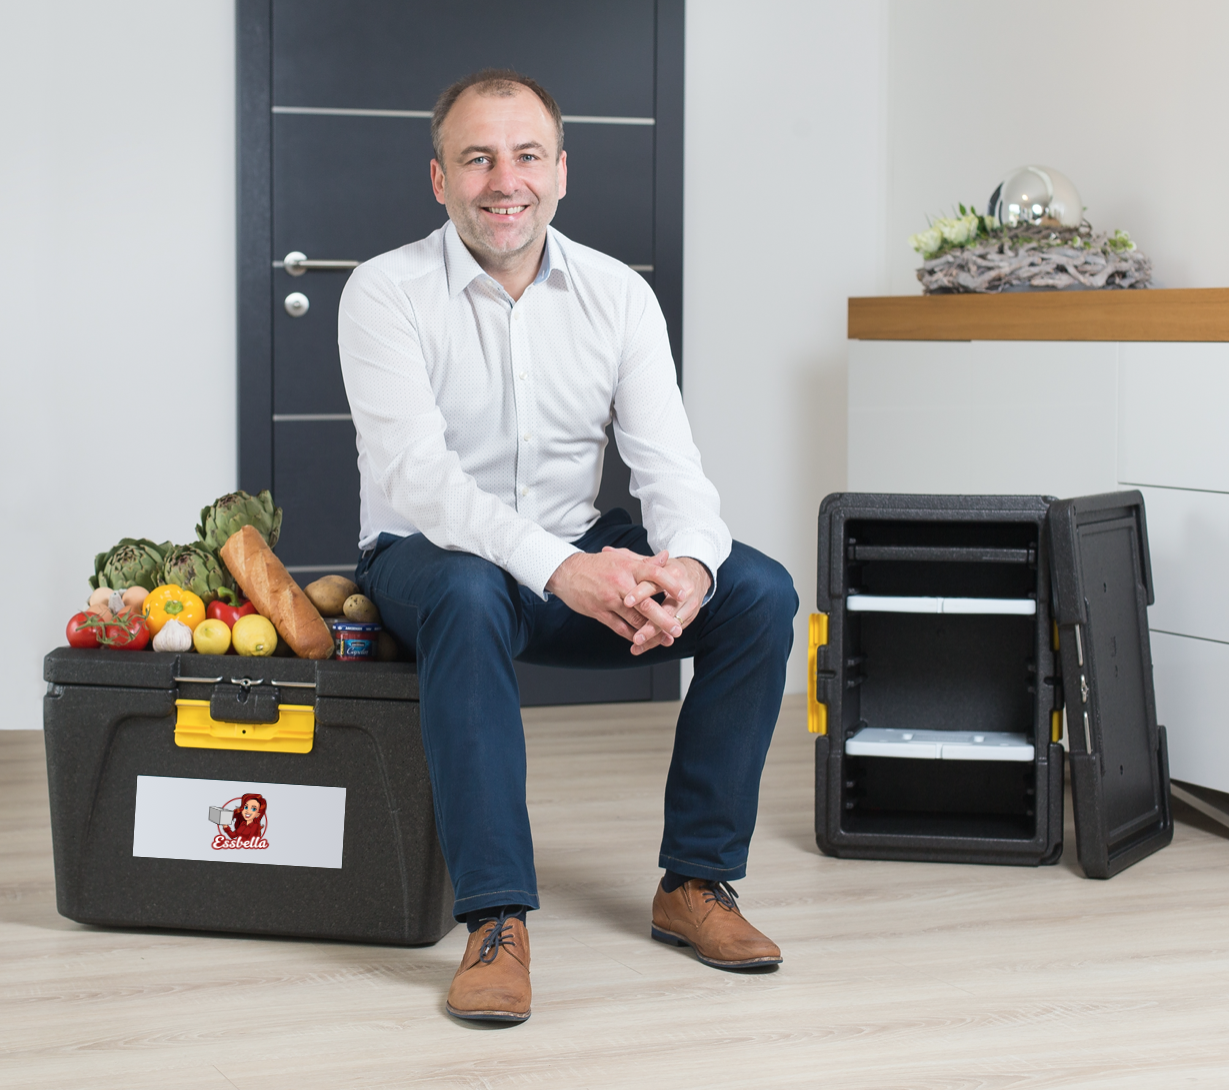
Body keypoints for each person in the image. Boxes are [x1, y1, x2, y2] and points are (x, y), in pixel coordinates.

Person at [339, 69, 797, 1025]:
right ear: (439, 179)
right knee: (467, 592)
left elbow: (670, 468)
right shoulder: (383, 293)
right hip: (428, 558)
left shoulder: (617, 295)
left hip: (576, 551)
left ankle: (696, 884)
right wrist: (558, 569)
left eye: (525, 155)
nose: (503, 179)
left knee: (757, 591)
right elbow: (422, 481)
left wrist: (685, 566)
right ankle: (494, 921)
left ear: (559, 172)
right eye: (477, 158)